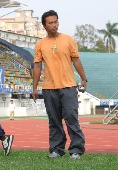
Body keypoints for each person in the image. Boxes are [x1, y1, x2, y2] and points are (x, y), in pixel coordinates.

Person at [32, 10, 86, 160]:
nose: (54, 25)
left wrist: (83, 79)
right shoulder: (40, 44)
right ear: (44, 26)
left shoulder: (68, 40)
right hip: (49, 88)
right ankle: (57, 149)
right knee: (54, 121)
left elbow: (76, 60)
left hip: (68, 86)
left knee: (71, 118)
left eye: (56, 21)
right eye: (50, 22)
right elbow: (37, 66)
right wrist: (35, 87)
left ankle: (76, 150)